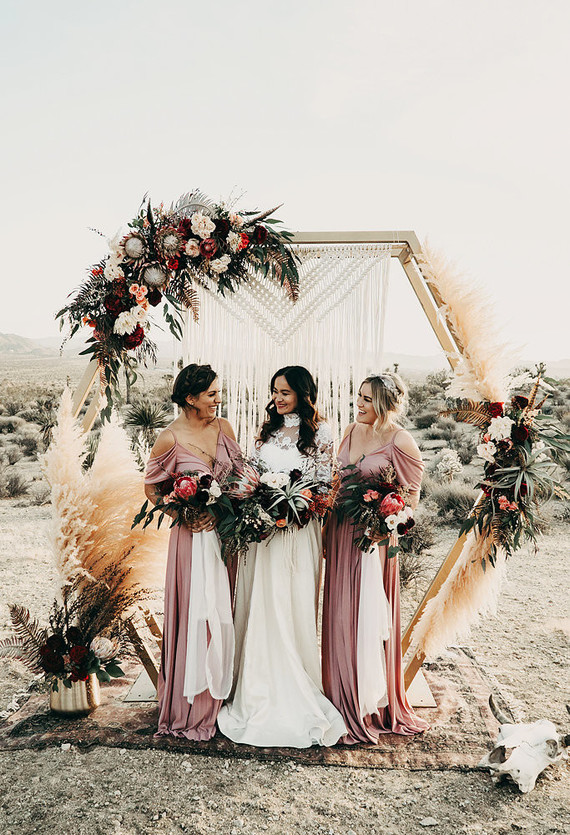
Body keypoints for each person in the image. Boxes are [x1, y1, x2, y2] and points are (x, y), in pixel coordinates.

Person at [217, 366, 346, 748]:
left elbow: (326, 484)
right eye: (274, 391)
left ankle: (296, 685)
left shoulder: (322, 434)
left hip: (298, 530)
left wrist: (298, 508)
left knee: (290, 603)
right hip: (264, 532)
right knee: (262, 600)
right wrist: (259, 502)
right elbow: (252, 473)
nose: (278, 398)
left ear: (305, 394)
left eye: (286, 392)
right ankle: (257, 686)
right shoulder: (267, 430)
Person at [322, 372, 429, 741]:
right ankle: (339, 693)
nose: (360, 404)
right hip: (340, 532)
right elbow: (337, 481)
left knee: (366, 615)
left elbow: (411, 498)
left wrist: (388, 522)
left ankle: (369, 700)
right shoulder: (351, 432)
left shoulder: (401, 440)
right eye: (359, 396)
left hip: (375, 540)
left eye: (367, 399)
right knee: (339, 612)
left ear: (385, 403)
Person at [144, 363, 241, 740]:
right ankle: (192, 702)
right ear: (190, 398)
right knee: (194, 612)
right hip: (190, 541)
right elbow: (152, 489)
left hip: (224, 537)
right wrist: (182, 515)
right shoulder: (168, 439)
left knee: (223, 610)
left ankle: (224, 692)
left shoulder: (224, 429)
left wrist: (229, 510)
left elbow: (239, 476)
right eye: (212, 394)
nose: (219, 399)